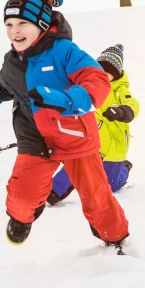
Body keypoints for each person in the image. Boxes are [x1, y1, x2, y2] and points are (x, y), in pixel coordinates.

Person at [0, 0, 129, 253]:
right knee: (21, 195)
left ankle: (115, 236)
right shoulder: (12, 61)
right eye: (9, 24)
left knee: (96, 196)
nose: (15, 30)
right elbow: (0, 88)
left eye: (23, 22)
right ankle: (25, 215)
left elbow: (96, 78)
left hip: (75, 136)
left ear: (42, 23)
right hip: (35, 138)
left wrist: (68, 101)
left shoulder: (64, 52)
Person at [47, 44, 140, 206]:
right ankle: (53, 190)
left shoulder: (120, 90)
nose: (103, 74)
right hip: (91, 140)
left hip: (114, 147)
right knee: (77, 165)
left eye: (108, 72)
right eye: (100, 70)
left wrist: (122, 111)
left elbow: (132, 103)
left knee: (111, 185)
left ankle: (124, 168)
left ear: (116, 74)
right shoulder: (89, 86)